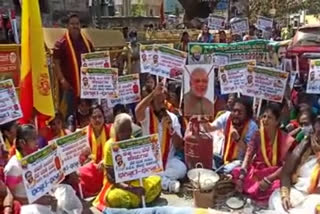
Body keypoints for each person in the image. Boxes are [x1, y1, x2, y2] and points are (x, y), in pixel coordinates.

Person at [4, 125, 82, 213]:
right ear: (22, 143)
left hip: (46, 196)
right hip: (27, 205)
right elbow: (10, 196)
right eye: (33, 139)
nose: (37, 142)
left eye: (37, 138)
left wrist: (69, 174)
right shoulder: (13, 166)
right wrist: (36, 200)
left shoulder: (39, 154)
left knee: (66, 190)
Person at [93, 113, 161, 210]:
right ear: (117, 131)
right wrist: (133, 189)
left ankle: (138, 199)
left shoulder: (132, 140)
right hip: (119, 186)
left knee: (157, 180)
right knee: (115, 198)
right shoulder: (110, 146)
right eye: (123, 131)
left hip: (135, 181)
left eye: (129, 129)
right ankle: (140, 199)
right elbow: (111, 179)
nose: (127, 133)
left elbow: (139, 164)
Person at [232, 103, 295, 206]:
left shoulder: (286, 139)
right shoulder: (257, 135)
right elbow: (248, 155)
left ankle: (258, 198)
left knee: (276, 187)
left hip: (275, 174)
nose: (265, 120)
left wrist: (269, 179)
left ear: (277, 121)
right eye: (264, 116)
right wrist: (242, 175)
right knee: (236, 172)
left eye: (269, 117)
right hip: (258, 170)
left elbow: (286, 167)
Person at [135, 83, 187, 193]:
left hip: (168, 161)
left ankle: (161, 180)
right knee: (147, 171)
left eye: (164, 102)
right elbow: (137, 111)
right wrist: (153, 94)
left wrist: (171, 130)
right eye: (159, 102)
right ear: (152, 104)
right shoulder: (146, 114)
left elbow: (179, 145)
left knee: (182, 169)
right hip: (150, 161)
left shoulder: (172, 117)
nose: (163, 105)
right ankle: (167, 183)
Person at [269, 116, 320, 214]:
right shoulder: (305, 146)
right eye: (316, 132)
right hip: (297, 192)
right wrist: (285, 195)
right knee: (276, 198)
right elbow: (286, 173)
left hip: (315, 198)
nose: (317, 137)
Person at [53, 14, 93, 119]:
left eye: (77, 24)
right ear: (67, 26)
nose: (75, 26)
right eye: (72, 24)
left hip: (87, 86)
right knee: (69, 115)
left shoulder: (87, 42)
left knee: (87, 114)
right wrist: (62, 80)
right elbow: (56, 63)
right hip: (69, 85)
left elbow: (95, 59)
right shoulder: (61, 43)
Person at [205, 97, 258, 172]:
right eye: (234, 111)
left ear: (246, 114)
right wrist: (202, 119)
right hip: (223, 158)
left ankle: (220, 172)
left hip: (239, 162)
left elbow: (249, 151)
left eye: (240, 112)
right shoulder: (227, 116)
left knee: (229, 170)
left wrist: (238, 139)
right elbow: (211, 128)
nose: (236, 114)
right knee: (206, 158)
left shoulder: (252, 126)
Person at [78, 105, 112, 198]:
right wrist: (84, 159)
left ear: (104, 117)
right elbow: (79, 158)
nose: (97, 120)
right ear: (89, 119)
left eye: (100, 116)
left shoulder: (111, 130)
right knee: (81, 172)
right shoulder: (83, 133)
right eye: (94, 117)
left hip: (107, 166)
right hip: (91, 169)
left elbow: (116, 150)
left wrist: (105, 160)